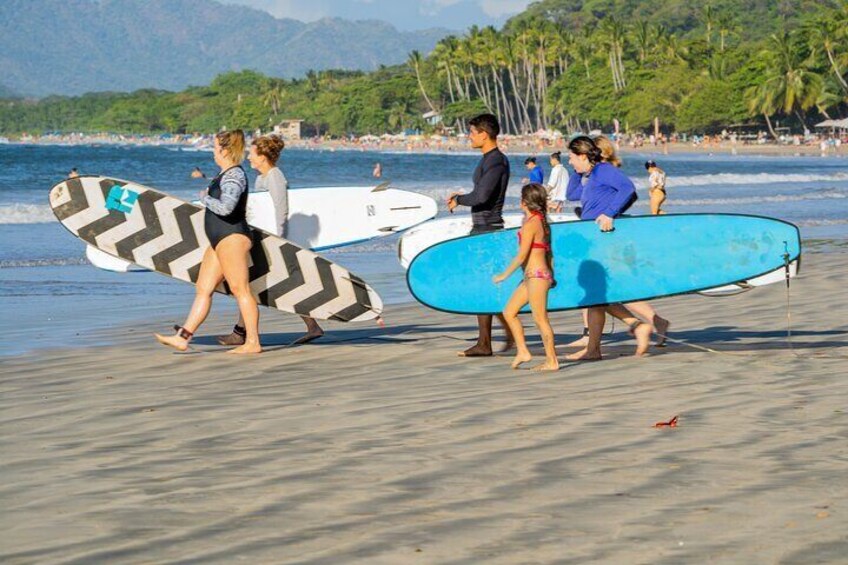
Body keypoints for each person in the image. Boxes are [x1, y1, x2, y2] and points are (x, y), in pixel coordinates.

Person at [155, 129, 261, 354]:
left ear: (223, 149)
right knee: (203, 289)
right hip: (219, 241)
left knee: (240, 289)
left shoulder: (234, 175)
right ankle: (182, 337)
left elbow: (227, 207)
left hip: (232, 237)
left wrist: (205, 199)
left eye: (214, 147)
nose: (213, 151)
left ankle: (253, 342)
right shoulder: (225, 174)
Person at [216, 134, 325, 347]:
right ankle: (312, 326)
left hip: (274, 239)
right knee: (257, 283)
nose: (248, 157)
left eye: (252, 153)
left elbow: (280, 210)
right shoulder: (261, 178)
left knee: (254, 283)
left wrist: (279, 241)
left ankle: (241, 333)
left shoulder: (275, 176)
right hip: (261, 237)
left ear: (263, 157)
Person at [564, 136, 652, 360]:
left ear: (583, 155)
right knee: (595, 295)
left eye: (572, 157)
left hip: (602, 238)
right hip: (591, 237)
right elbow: (571, 194)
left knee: (594, 293)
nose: (569, 161)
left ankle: (602, 344)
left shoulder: (603, 170)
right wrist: (577, 171)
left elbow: (628, 189)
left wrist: (610, 213)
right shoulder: (590, 175)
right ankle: (598, 347)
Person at [447, 113, 514, 357]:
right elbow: (481, 192)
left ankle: (488, 342)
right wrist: (464, 197)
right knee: (486, 284)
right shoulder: (491, 160)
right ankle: (499, 336)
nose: (469, 136)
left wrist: (459, 199)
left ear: (484, 135)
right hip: (484, 229)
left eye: (472, 132)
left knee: (482, 285)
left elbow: (483, 196)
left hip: (488, 229)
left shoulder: (496, 161)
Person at [495, 183, 559, 371]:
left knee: (540, 318)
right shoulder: (540, 221)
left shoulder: (533, 224)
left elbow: (522, 255)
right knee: (509, 312)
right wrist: (551, 273)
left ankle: (552, 361)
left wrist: (504, 275)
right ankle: (523, 351)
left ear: (525, 202)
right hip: (534, 276)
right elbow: (550, 252)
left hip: (537, 276)